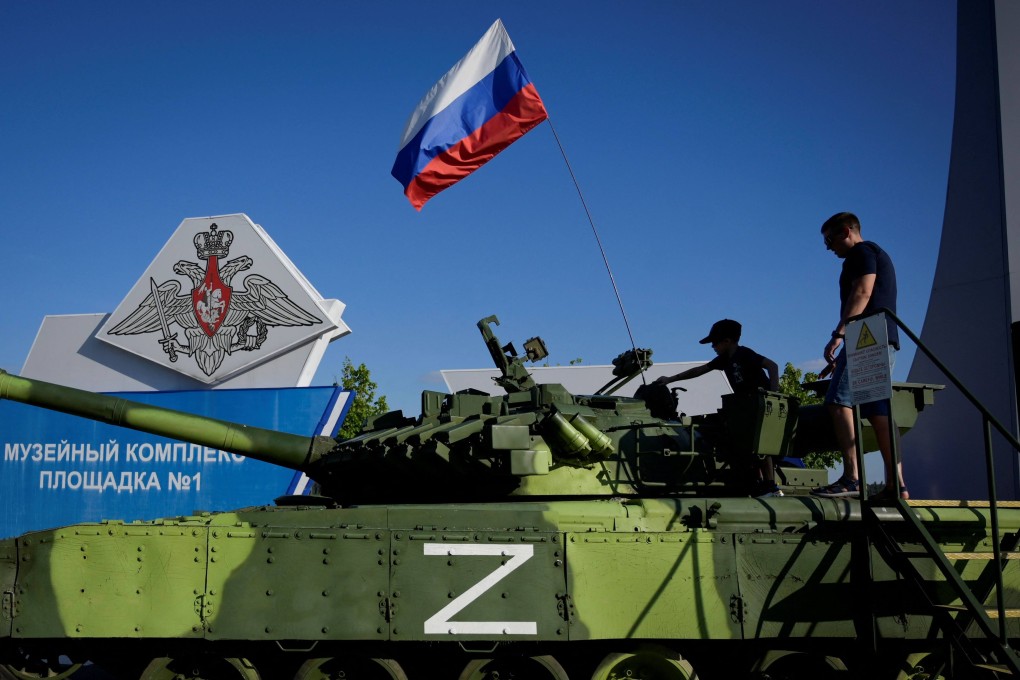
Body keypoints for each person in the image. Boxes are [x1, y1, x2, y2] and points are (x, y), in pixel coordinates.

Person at [811, 212, 907, 501]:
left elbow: (862, 291)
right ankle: (897, 486)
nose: (829, 248)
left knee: (838, 400)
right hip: (879, 337)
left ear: (844, 231)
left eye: (829, 240)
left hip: (866, 338)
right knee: (879, 414)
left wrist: (839, 334)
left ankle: (852, 477)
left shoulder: (862, 252)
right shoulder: (875, 251)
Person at [653, 319, 782, 497]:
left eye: (715, 342)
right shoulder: (724, 359)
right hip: (742, 407)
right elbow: (698, 371)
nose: (713, 346)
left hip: (759, 405)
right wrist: (670, 379)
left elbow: (772, 366)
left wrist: (773, 395)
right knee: (743, 444)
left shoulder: (745, 354)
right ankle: (756, 482)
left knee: (762, 445)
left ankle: (770, 486)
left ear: (727, 341)